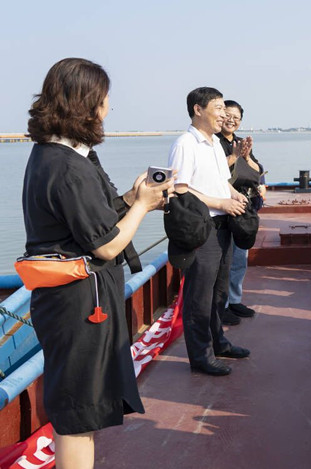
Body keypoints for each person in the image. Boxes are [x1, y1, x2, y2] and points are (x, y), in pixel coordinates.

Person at [22, 58, 173, 469]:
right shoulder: (69, 167)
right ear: (86, 105)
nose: (107, 110)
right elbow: (106, 246)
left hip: (69, 300)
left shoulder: (53, 155)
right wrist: (142, 207)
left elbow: (92, 221)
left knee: (78, 404)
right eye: (104, 101)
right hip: (78, 305)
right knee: (79, 412)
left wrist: (131, 198)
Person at [168, 87, 251, 377]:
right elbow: (180, 189)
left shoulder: (215, 143)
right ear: (198, 109)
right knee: (199, 296)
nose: (224, 115)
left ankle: (219, 342)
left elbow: (222, 180)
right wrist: (220, 203)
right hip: (202, 228)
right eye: (218, 108)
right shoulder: (185, 144)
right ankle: (200, 356)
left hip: (223, 226)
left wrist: (233, 195)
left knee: (218, 292)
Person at [216, 100, 265, 325]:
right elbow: (213, 174)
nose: (231, 120)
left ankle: (234, 299)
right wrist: (235, 157)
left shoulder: (240, 142)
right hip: (222, 207)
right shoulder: (213, 142)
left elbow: (258, 170)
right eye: (228, 115)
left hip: (243, 209)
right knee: (223, 260)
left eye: (236, 117)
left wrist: (245, 157)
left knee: (239, 258)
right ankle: (222, 305)